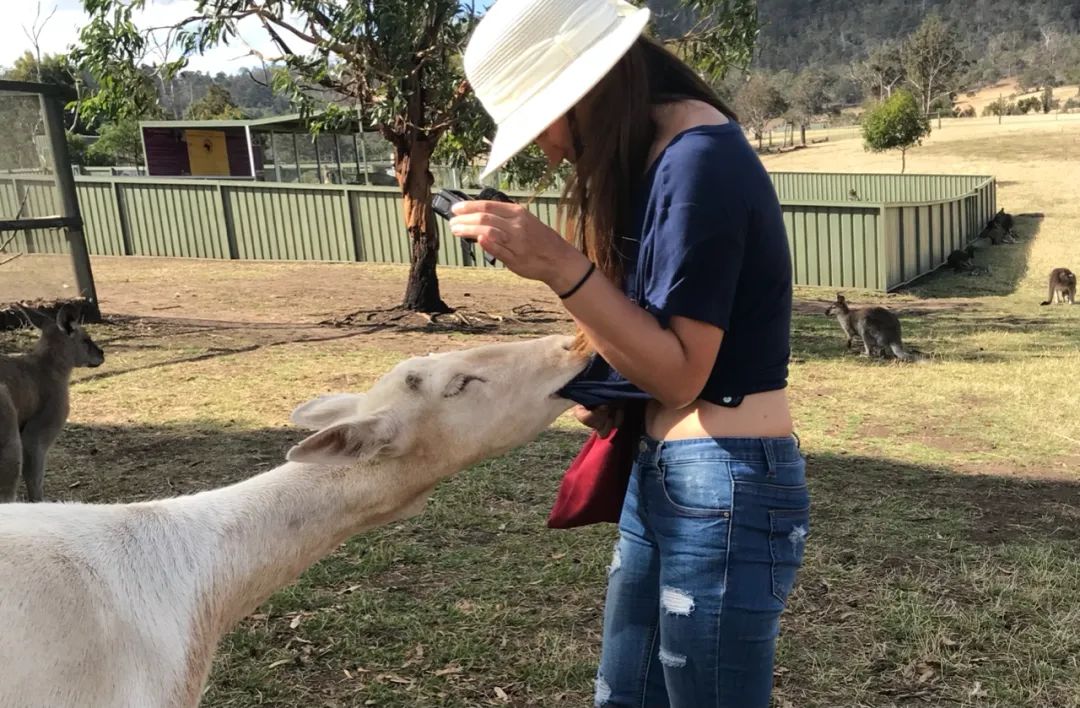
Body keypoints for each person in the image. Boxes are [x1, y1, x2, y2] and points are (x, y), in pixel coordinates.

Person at [449, 1, 809, 706]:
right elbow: (653, 348)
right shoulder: (665, 160)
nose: (550, 151)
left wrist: (560, 267)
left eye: (543, 122)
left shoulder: (699, 162)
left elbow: (680, 375)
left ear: (587, 90)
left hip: (723, 482)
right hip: (674, 476)